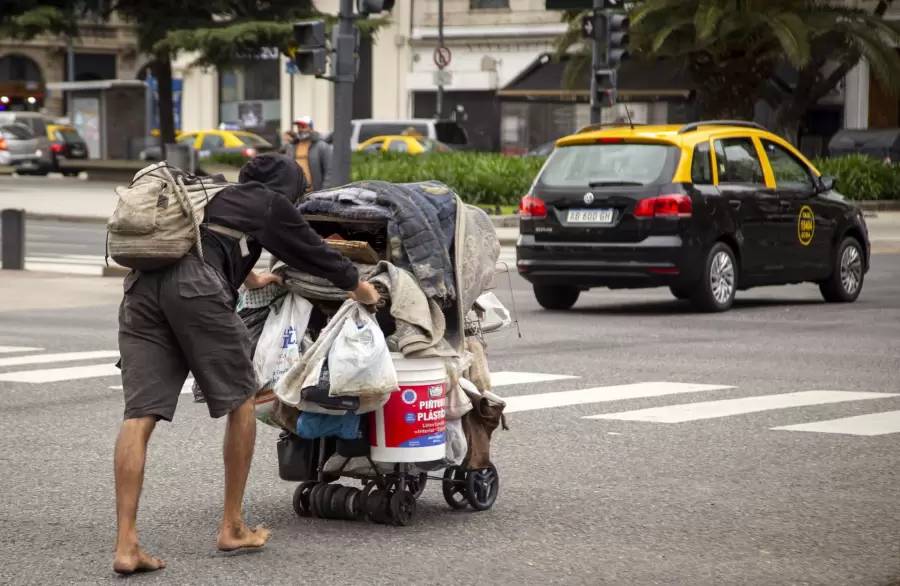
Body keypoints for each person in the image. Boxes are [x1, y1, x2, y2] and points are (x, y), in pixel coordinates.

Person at [112, 152, 379, 575]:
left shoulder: (217, 194)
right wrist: (360, 288)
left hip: (142, 290)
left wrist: (252, 278)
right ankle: (232, 526)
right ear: (288, 186)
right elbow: (315, 253)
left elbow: (214, 242)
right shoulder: (269, 202)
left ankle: (126, 546)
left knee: (139, 415)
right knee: (241, 402)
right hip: (196, 289)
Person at [282, 116, 333, 192]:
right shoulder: (291, 147)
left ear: (311, 129)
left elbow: (329, 171)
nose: (300, 130)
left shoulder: (322, 146)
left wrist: (324, 191)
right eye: (298, 127)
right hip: (296, 193)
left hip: (315, 193)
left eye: (303, 127)